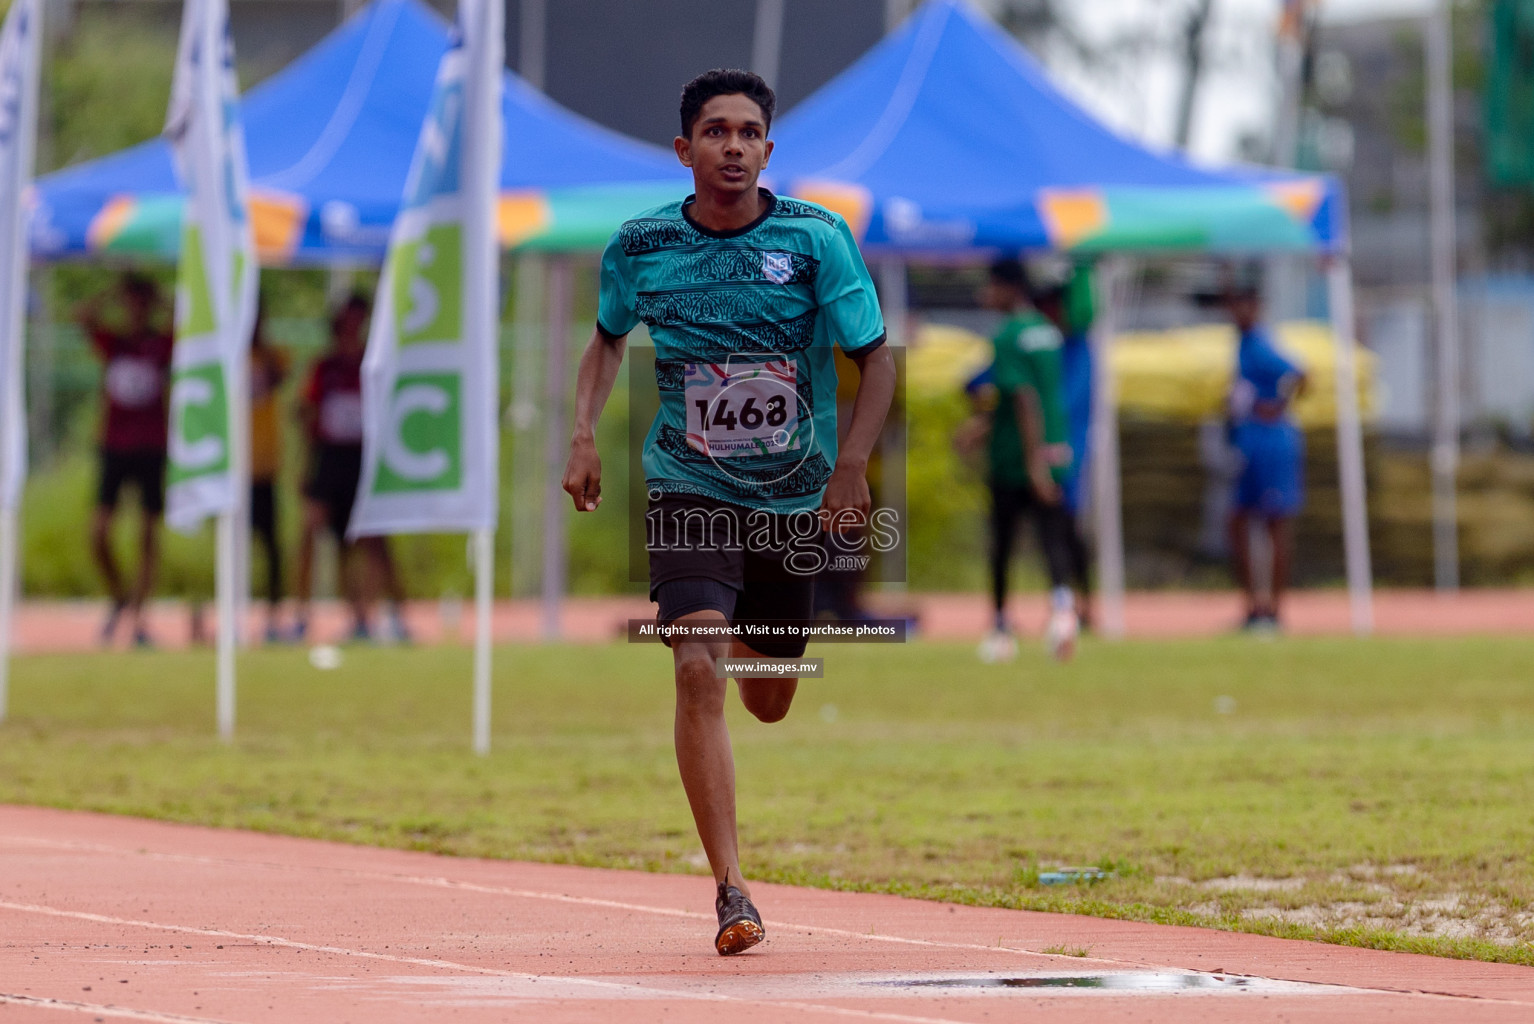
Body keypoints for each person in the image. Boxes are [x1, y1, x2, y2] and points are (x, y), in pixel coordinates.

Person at [561, 69, 895, 955]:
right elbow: (605, 337)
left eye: (750, 133)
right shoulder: (640, 245)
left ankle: (734, 636)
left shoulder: (817, 239)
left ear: (768, 150)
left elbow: (876, 359)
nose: (734, 147)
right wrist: (582, 433)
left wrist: (852, 465)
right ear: (685, 150)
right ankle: (732, 889)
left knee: (773, 694)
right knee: (697, 669)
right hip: (687, 485)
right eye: (717, 132)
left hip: (793, 493)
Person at [973, 258, 1079, 663]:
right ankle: (1063, 613)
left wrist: (1031, 462)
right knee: (1054, 538)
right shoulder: (1048, 332)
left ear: (1010, 288)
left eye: (991, 286)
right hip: (1055, 449)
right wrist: (981, 428)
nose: (985, 295)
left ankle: (1001, 630)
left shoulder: (1009, 335)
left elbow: (1023, 398)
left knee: (1002, 544)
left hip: (1016, 458)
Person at [293, 294, 410, 644]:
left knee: (372, 539)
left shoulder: (372, 365)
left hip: (363, 458)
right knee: (317, 533)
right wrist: (305, 461)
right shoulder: (325, 367)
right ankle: (302, 615)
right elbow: (307, 411)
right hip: (329, 458)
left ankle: (387, 613)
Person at [79, 272, 174, 648]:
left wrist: (159, 295)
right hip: (115, 446)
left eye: (141, 302)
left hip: (151, 445)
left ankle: (139, 614)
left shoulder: (160, 344)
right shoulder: (114, 343)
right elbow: (82, 315)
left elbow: (190, 322)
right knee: (98, 531)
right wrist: (112, 293)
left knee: (148, 533)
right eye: (131, 302)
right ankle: (120, 597)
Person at [1221, 277, 1308, 630]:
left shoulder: (1259, 343)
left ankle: (1274, 610)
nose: (1238, 310)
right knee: (1238, 521)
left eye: (1245, 303)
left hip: (1272, 441)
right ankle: (1254, 607)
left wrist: (1277, 406)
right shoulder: (1241, 343)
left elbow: (1302, 374)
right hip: (1249, 440)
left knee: (1274, 523)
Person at [249, 301, 290, 642]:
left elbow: (279, 375)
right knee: (234, 545)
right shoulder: (228, 356)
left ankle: (274, 616)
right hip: (235, 469)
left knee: (271, 546)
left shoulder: (270, 356)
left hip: (264, 466)